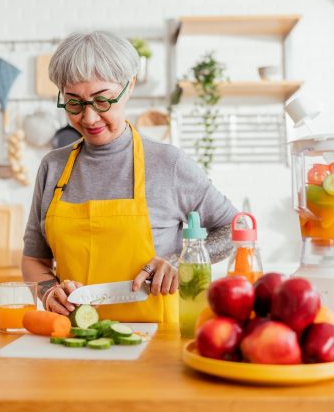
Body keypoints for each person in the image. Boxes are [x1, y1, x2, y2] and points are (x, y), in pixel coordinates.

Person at [21, 31, 237, 323]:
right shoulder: (52, 167)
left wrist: (183, 262)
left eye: (102, 101)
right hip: (76, 340)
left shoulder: (167, 163)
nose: (89, 118)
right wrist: (48, 292)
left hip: (158, 344)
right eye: (74, 103)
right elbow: (34, 259)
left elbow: (235, 230)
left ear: (129, 86)